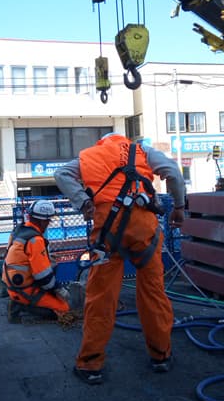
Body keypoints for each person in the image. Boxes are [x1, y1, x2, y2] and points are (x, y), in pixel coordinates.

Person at [54, 132, 185, 385]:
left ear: (103, 142)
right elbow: (173, 173)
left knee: (101, 298)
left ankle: (90, 365)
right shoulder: (143, 151)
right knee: (153, 293)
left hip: (107, 231)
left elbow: (61, 174)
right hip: (144, 230)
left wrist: (83, 202)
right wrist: (178, 207)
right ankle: (161, 356)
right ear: (123, 140)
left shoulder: (90, 155)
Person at [2, 200, 70, 323]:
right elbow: (43, 276)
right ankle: (21, 306)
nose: (48, 224)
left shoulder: (19, 230)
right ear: (43, 221)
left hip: (13, 286)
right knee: (64, 309)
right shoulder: (35, 240)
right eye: (48, 221)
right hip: (25, 290)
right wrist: (58, 289)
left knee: (51, 266)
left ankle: (18, 301)